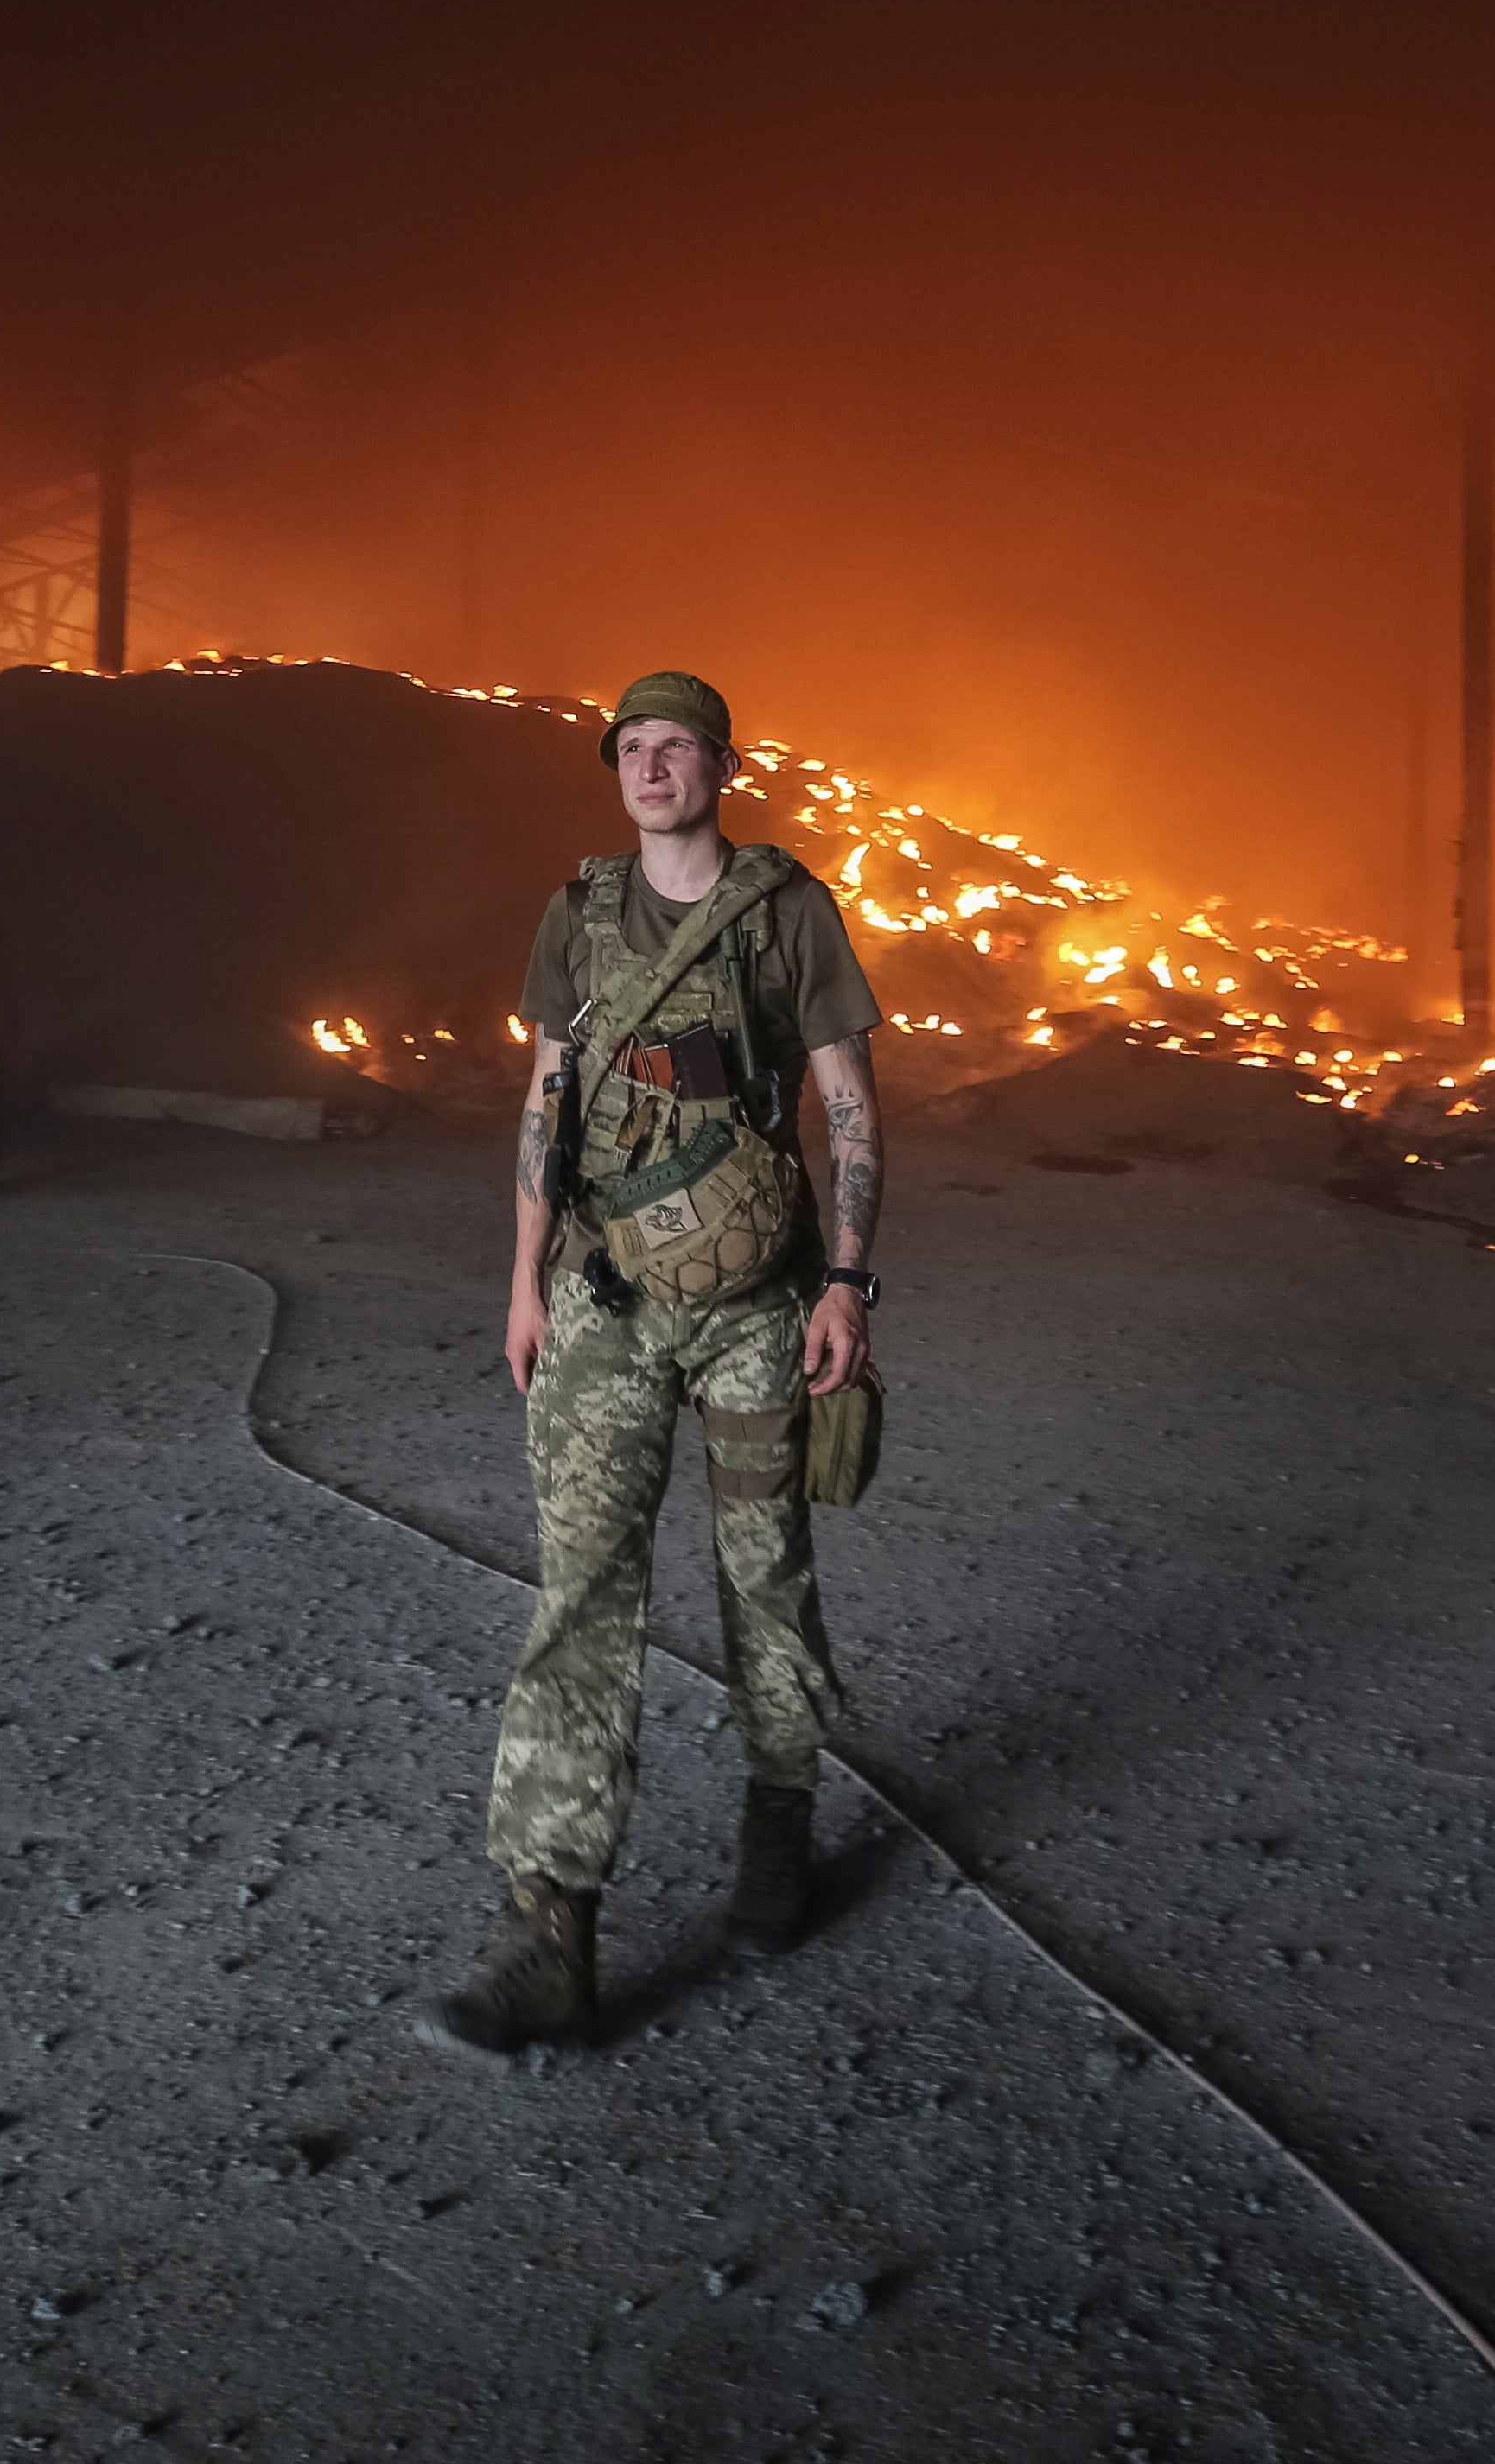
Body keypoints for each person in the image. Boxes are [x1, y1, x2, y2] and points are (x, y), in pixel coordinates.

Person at [423, 669, 883, 2057]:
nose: (653, 764)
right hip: (605, 1302)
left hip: (760, 1308)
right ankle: (550, 1927)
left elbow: (852, 1104)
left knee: (767, 1578)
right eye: (633, 747)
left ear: (721, 764)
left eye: (677, 744)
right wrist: (522, 1284)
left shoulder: (788, 909)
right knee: (581, 1597)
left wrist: (851, 1285)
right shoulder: (577, 915)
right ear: (615, 771)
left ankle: (779, 1822)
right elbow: (546, 1102)